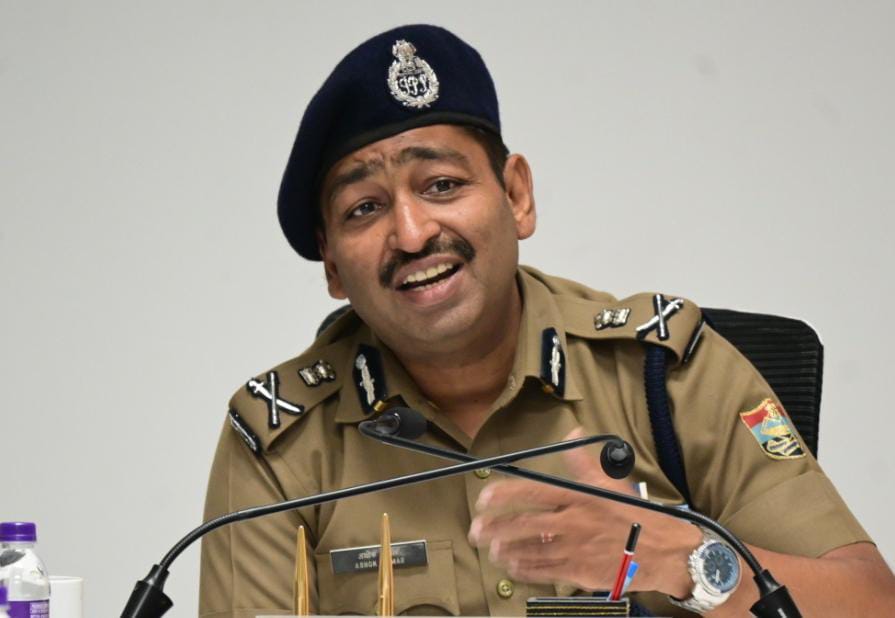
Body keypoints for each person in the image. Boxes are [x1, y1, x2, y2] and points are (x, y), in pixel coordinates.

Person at [199, 24, 895, 617]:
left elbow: (871, 603)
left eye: (442, 185)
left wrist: (679, 558)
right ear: (331, 264)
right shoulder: (283, 445)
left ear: (516, 196)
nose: (411, 234)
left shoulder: (665, 373)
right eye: (365, 209)